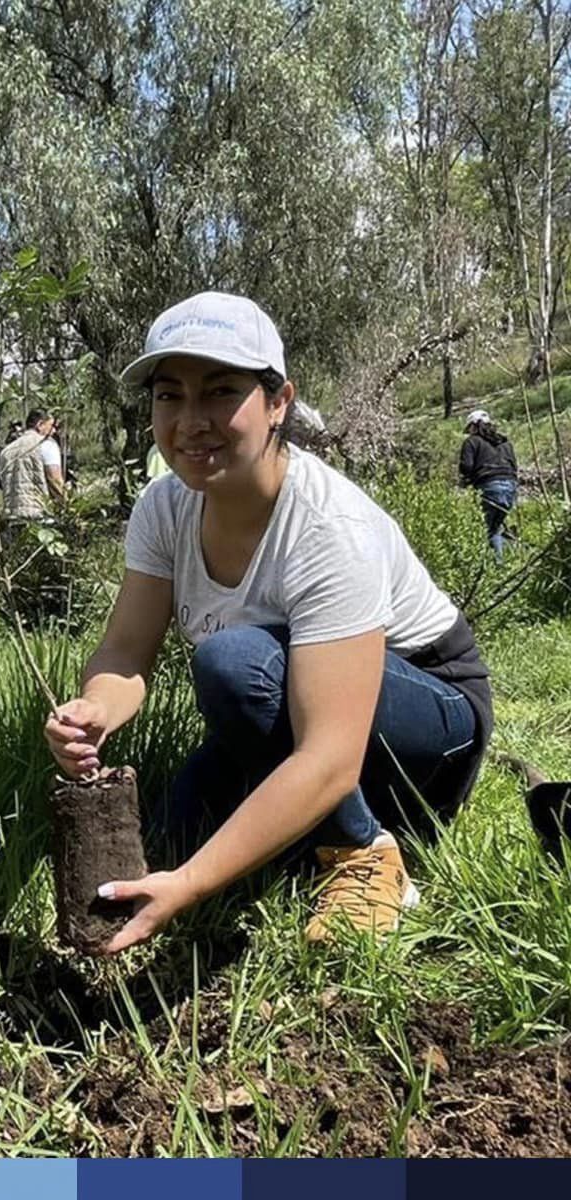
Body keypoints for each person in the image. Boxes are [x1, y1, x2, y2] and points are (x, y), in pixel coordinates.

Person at [44, 291, 492, 954]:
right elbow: (126, 651)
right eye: (170, 396)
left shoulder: (327, 527)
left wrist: (191, 885)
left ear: (279, 400)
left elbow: (331, 757)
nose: (190, 422)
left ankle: (365, 853)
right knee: (173, 833)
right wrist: (94, 711)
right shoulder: (164, 510)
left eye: (220, 392)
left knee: (234, 664)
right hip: (295, 707)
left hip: (430, 719)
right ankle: (312, 837)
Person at [459, 409, 518, 560]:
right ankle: (509, 554)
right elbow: (514, 466)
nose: (469, 432)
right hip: (510, 488)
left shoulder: (472, 442)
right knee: (496, 527)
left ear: (474, 425)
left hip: (489, 488)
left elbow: (466, 467)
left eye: (469, 428)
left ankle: (496, 566)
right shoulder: (505, 443)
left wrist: (466, 481)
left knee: (487, 530)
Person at [0, 408, 65, 522]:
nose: (54, 431)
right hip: (39, 516)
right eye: (51, 426)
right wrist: (68, 505)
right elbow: (55, 481)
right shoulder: (46, 444)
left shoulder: (6, 451)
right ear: (40, 424)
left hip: (11, 517)